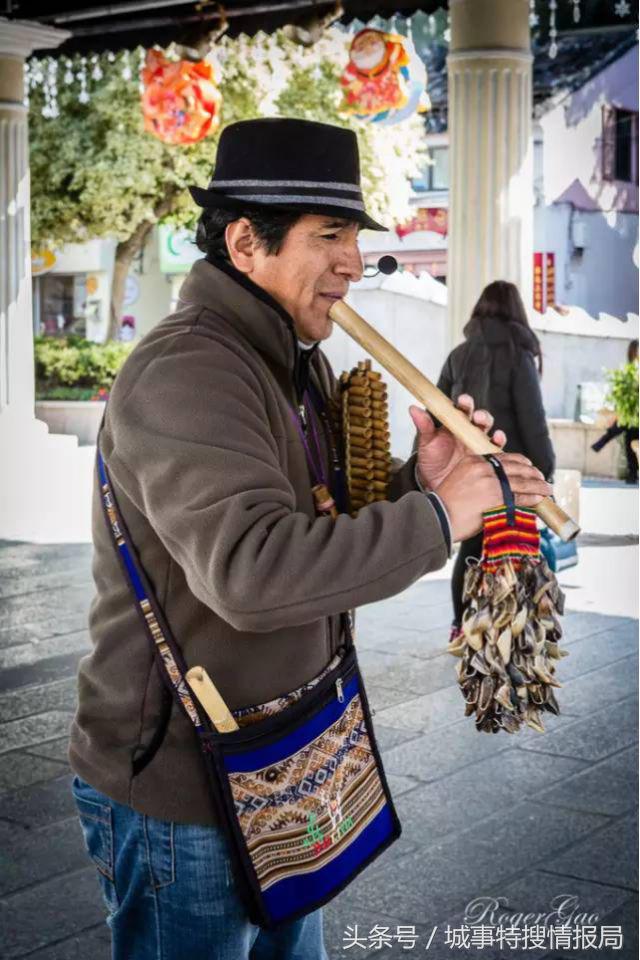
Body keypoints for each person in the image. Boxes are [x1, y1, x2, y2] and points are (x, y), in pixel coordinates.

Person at [69, 119, 550, 960]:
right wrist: (445, 517)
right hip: (188, 785)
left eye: (355, 238)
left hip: (282, 763)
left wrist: (425, 481)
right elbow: (254, 573)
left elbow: (322, 528)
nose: (353, 263)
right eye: (329, 236)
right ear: (245, 240)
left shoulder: (293, 357)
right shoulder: (192, 369)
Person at [436, 280, 555, 632]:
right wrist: (544, 474)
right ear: (516, 311)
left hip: (465, 473)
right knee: (515, 548)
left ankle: (462, 624)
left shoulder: (458, 354)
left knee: (472, 545)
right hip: (512, 476)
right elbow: (534, 422)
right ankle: (512, 626)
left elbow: (437, 412)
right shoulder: (519, 356)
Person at [591, 338, 639, 484]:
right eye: (635, 351)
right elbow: (623, 396)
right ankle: (632, 474)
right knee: (628, 440)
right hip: (632, 414)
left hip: (635, 414)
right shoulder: (630, 371)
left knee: (626, 434)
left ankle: (604, 439)